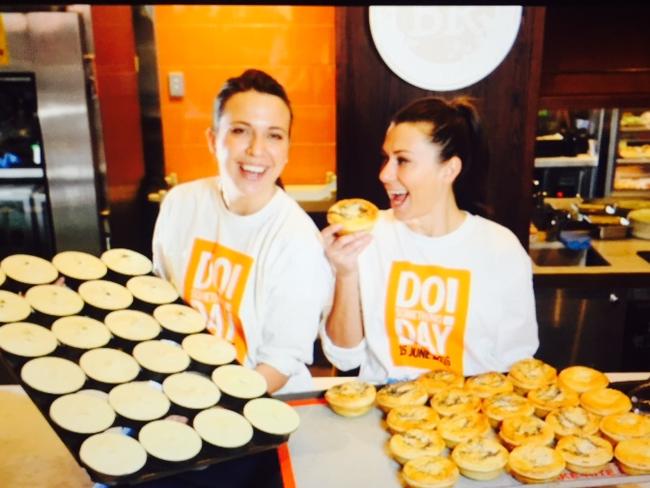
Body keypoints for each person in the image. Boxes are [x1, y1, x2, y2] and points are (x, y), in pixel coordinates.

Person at [320, 96, 538, 384]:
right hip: (385, 406)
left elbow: (517, 364)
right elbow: (344, 357)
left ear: (449, 169)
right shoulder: (367, 237)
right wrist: (345, 274)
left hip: (467, 414)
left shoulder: (500, 249)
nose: (384, 174)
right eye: (386, 158)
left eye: (403, 160)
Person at [152, 69, 332, 394]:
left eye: (274, 135)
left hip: (260, 404)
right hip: (180, 391)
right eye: (240, 131)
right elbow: (160, 303)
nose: (256, 150)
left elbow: (280, 363)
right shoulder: (181, 204)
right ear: (212, 139)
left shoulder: (297, 240)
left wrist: (207, 408)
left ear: (288, 148)